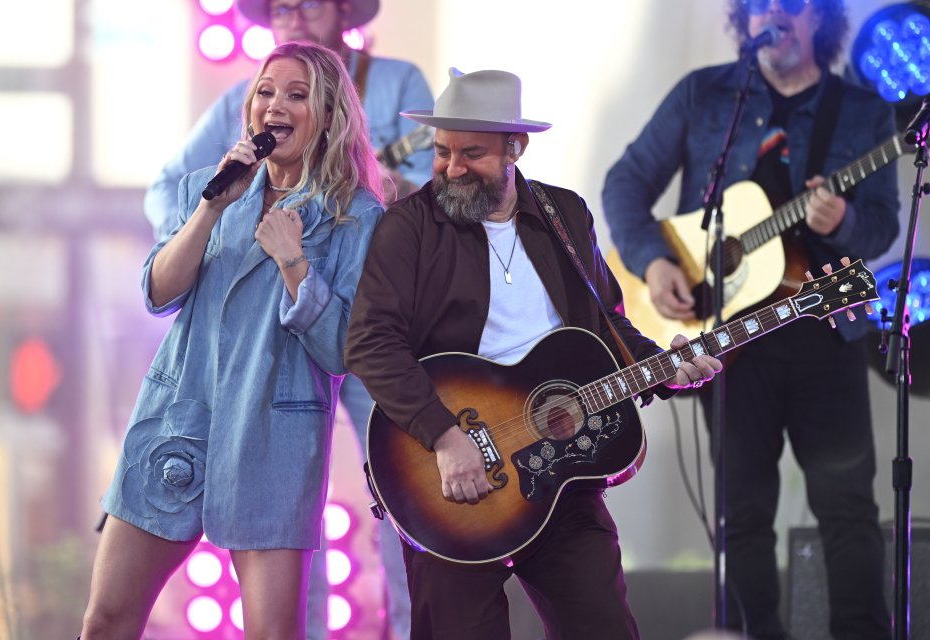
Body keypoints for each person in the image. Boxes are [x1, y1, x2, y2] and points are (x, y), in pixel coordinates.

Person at [345, 67, 723, 640]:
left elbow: (608, 327)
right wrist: (446, 438)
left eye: (471, 153)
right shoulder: (410, 226)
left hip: (561, 474)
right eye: (443, 151)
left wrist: (671, 369)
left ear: (514, 149)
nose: (450, 168)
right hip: (450, 478)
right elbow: (370, 342)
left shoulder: (563, 216)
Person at [601, 1, 898, 638]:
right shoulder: (707, 94)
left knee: (846, 506)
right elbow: (625, 182)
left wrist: (842, 222)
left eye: (788, 3)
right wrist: (654, 263)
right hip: (731, 342)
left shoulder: (865, 112)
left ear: (819, 16)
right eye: (756, 3)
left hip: (827, 329)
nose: (771, 14)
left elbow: (882, 225)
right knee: (742, 513)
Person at [143, 2, 430, 637]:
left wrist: (372, 186)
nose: (290, 15)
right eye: (277, 7)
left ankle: (413, 628)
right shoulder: (248, 100)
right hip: (271, 327)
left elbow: (427, 195)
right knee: (289, 493)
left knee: (407, 482)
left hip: (370, 322)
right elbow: (169, 185)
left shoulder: (399, 82)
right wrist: (197, 249)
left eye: (306, 3)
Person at [80, 42, 383, 640]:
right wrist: (210, 210)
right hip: (177, 423)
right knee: (108, 618)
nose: (276, 104)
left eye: (297, 95)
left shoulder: (357, 214)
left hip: (274, 439)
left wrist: (294, 260)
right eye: (266, 91)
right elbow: (158, 291)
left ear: (328, 116)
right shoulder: (209, 186)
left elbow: (344, 352)